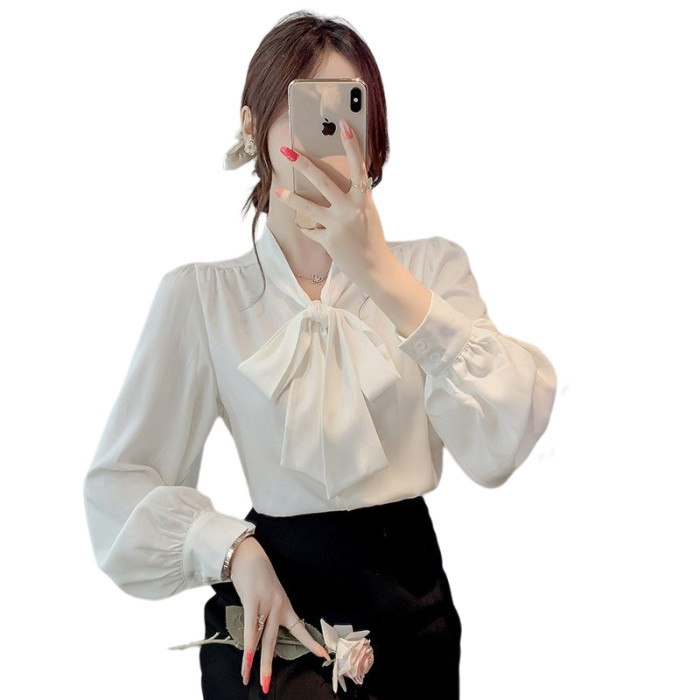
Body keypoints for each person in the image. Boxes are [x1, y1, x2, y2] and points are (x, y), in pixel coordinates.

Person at [83, 10, 557, 700]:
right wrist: (231, 548)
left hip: (411, 609)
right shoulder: (202, 297)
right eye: (309, 107)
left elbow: (504, 439)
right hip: (273, 601)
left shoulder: (431, 270)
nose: (332, 132)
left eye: (349, 107)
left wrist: (382, 276)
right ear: (253, 125)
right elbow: (118, 485)